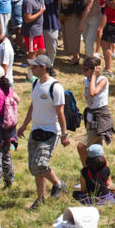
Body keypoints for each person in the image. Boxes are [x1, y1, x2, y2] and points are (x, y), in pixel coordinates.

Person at [26, 54, 68, 208]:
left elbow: (60, 112)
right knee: (33, 167)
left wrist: (64, 135)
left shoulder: (55, 87)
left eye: (35, 66)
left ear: (44, 68)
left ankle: (58, 183)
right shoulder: (35, 83)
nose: (32, 68)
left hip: (50, 132)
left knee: (40, 164)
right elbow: (33, 105)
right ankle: (40, 198)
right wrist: (24, 125)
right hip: (36, 130)